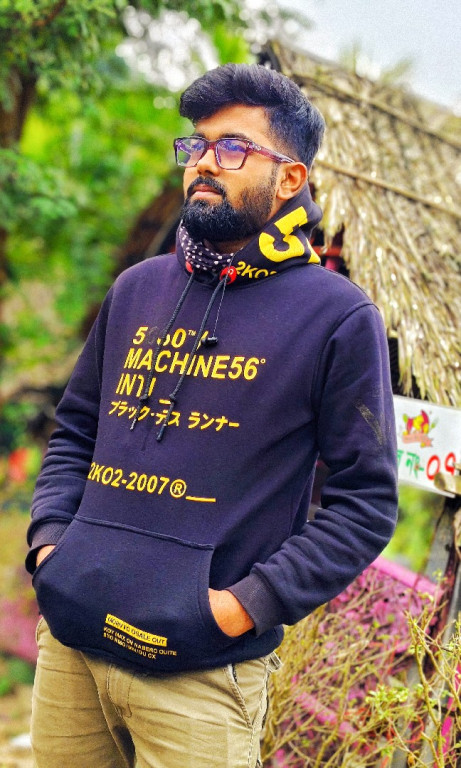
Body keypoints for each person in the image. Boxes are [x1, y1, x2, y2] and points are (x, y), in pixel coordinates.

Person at [26, 63, 398, 768]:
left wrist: (243, 605)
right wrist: (51, 548)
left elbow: (365, 504)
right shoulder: (137, 288)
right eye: (195, 144)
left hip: (200, 674)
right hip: (71, 644)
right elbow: (75, 431)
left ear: (290, 178)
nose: (202, 161)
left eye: (231, 147)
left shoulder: (338, 317)